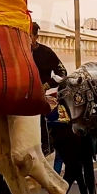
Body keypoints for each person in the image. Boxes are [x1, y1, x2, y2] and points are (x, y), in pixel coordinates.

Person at [31, 22, 68, 156]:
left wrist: (46, 85)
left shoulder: (46, 52)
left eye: (29, 36)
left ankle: (46, 145)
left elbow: (62, 73)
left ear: (36, 36)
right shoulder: (17, 52)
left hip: (39, 97)